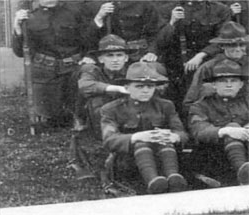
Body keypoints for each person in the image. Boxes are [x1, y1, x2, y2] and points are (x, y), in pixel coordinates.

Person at [101, 62, 188, 194]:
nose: (146, 90)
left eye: (150, 86)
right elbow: (109, 140)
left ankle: (173, 178)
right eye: (139, 86)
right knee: (141, 143)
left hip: (164, 157)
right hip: (129, 161)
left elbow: (182, 133)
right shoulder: (112, 109)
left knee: (164, 140)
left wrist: (174, 136)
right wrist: (136, 137)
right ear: (127, 87)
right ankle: (153, 183)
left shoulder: (165, 106)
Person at [12, 0, 89, 128]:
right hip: (45, 73)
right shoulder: (30, 17)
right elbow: (20, 51)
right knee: (50, 118)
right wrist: (17, 27)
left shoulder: (74, 12)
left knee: (76, 111)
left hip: (72, 71)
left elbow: (87, 38)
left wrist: (88, 56)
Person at [156, 0, 231, 113]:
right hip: (175, 64)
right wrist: (172, 22)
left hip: (207, 61)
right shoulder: (167, 9)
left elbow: (222, 40)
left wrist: (200, 56)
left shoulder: (220, 10)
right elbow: (160, 42)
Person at [188, 59, 249, 186]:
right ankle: (243, 172)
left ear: (241, 84)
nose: (228, 85)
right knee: (232, 127)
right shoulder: (200, 105)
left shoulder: (246, 101)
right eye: (222, 81)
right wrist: (225, 131)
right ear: (214, 85)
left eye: (234, 81)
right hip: (217, 155)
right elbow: (199, 130)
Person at [77, 34, 136, 139]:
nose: (115, 60)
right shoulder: (93, 70)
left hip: (127, 114)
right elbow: (84, 85)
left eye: (119, 55)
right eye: (110, 55)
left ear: (126, 58)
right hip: (100, 116)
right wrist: (118, 88)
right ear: (101, 59)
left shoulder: (133, 71)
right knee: (96, 99)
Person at [184, 21, 249, 109]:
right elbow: (190, 102)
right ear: (222, 46)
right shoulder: (208, 68)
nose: (238, 49)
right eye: (232, 45)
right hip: (217, 115)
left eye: (241, 45)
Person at [84, 0, 160, 63]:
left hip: (139, 55)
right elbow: (86, 38)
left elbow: (155, 33)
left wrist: (151, 52)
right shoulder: (93, 5)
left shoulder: (144, 4)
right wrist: (99, 17)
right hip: (107, 57)